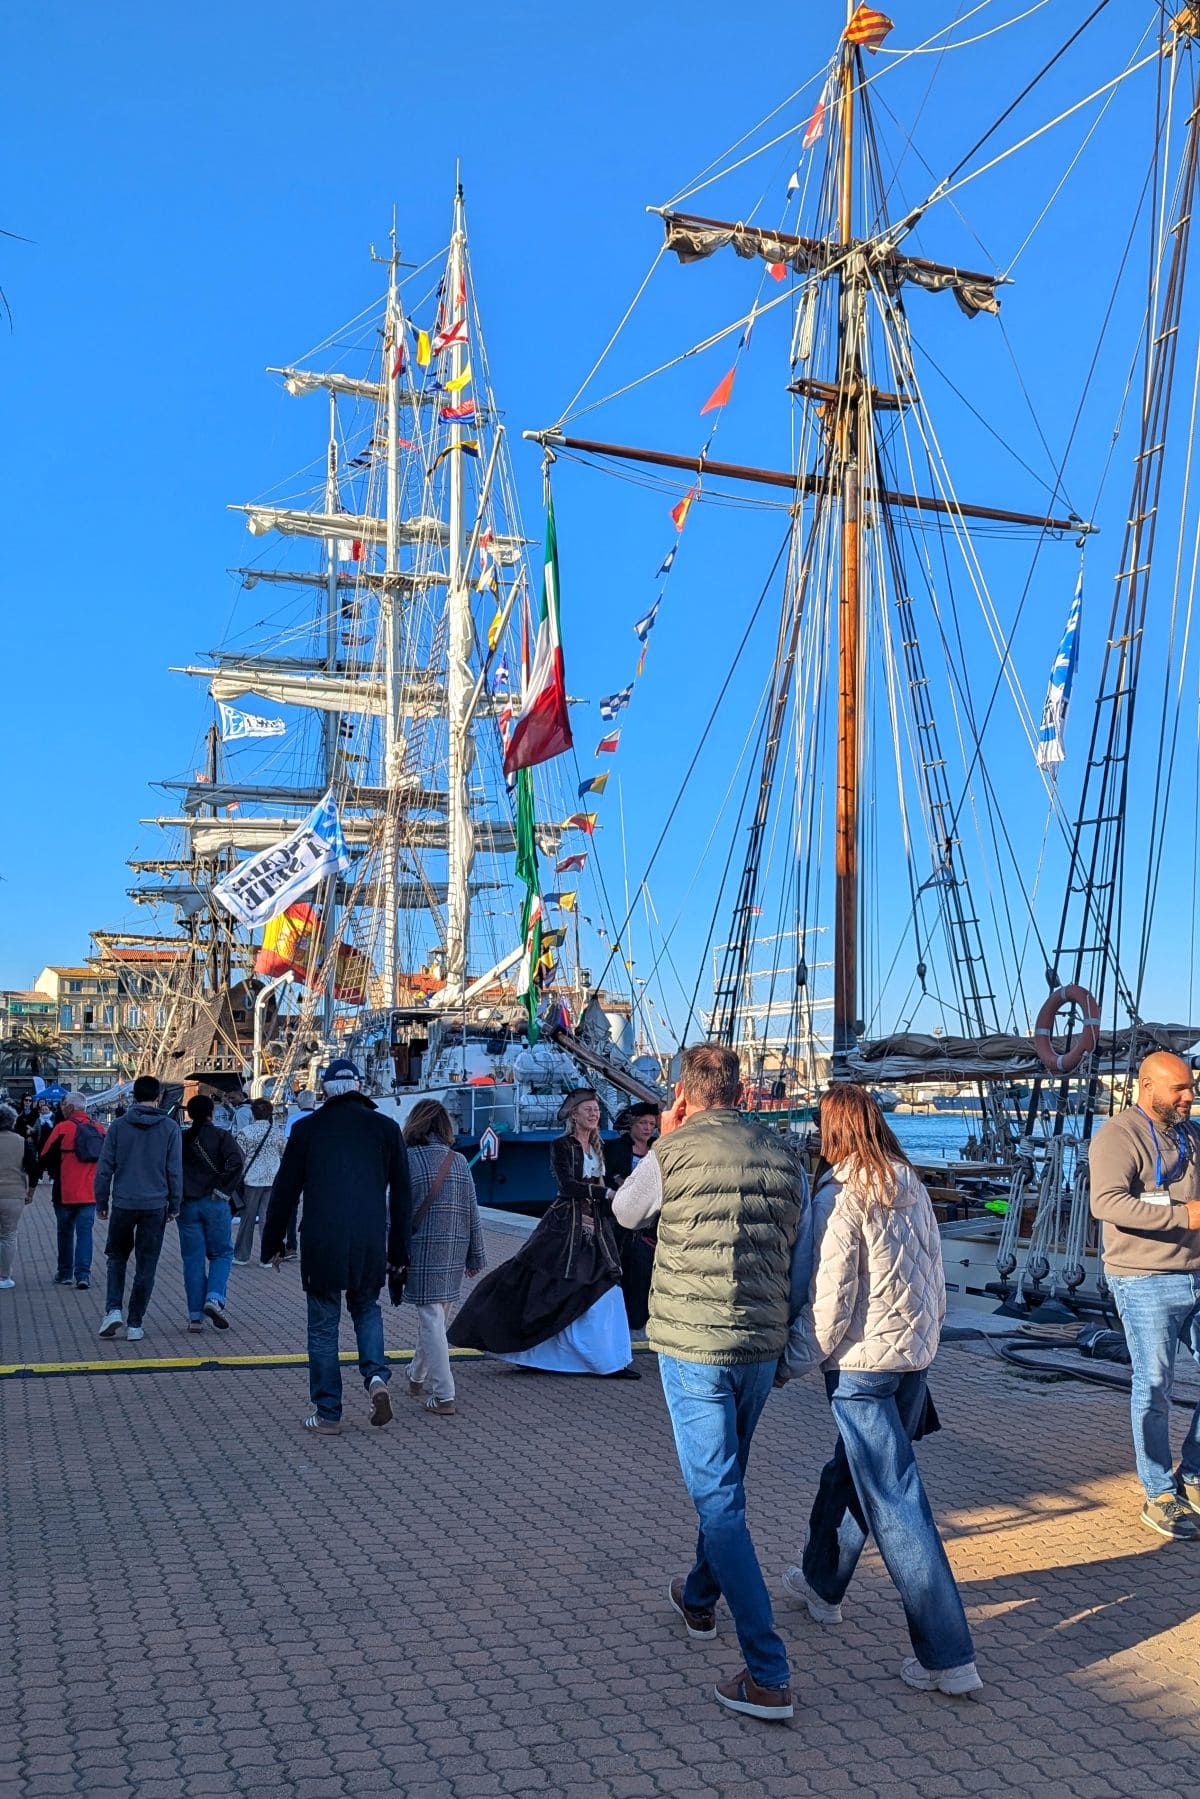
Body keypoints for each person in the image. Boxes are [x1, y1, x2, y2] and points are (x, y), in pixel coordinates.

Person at [612, 1043, 805, 1722]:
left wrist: (659, 1143)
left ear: (683, 1094)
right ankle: (698, 1596)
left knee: (720, 1500)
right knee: (726, 1485)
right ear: (743, 1093)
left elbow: (625, 1212)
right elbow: (799, 1247)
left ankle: (768, 1672)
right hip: (758, 1343)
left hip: (694, 1344)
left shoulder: (673, 1150)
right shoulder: (784, 1154)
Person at [778, 1084, 981, 1698]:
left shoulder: (838, 1196)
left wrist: (788, 1364)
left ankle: (948, 1655)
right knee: (848, 1476)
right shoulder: (909, 1183)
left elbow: (829, 1301)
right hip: (912, 1361)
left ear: (832, 1131)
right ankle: (822, 1584)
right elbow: (935, 1275)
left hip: (861, 1368)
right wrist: (927, 1342)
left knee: (896, 1502)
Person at [262, 1058, 410, 1434]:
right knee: (367, 1309)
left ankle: (328, 1413)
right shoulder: (386, 1128)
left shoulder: (307, 1129)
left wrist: (273, 1242)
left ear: (325, 1089)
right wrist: (399, 1253)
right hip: (369, 1238)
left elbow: (284, 1191)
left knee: (323, 1326)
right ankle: (376, 1378)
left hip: (321, 1239)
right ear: (359, 1087)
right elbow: (402, 1196)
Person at [448, 1088, 636, 1378]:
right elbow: (567, 1185)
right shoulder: (562, 1145)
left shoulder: (598, 1145)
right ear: (574, 1115)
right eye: (588, 1109)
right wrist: (605, 1192)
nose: (594, 1114)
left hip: (596, 1229)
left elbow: (600, 1183)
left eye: (596, 1110)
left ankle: (607, 1360)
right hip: (565, 1228)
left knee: (605, 1289)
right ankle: (541, 1353)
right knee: (550, 1288)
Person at [1089, 1050, 1200, 1540]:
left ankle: (1193, 1474)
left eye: (1191, 1087)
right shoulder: (1118, 1135)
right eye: (1179, 1088)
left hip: (1196, 1274)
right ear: (1147, 1086)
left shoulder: (1192, 1135)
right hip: (1144, 1279)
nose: (1189, 1096)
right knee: (1154, 1386)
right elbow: (1106, 1202)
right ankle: (1159, 1493)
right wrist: (1182, 1217)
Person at [401, 1100, 487, 1417]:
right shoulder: (459, 1160)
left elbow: (395, 1212)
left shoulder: (407, 1160)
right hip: (454, 1250)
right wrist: (476, 1255)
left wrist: (388, 1252)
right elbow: (472, 1211)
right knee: (435, 1319)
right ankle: (416, 1374)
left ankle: (444, 1393)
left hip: (422, 1250)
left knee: (431, 1320)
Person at [94, 1074, 184, 1340]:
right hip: (155, 1203)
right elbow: (174, 1170)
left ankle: (113, 1309)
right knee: (147, 1263)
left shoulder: (118, 1126)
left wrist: (101, 1201)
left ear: (133, 1096)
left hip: (124, 1201)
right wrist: (175, 1203)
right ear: (159, 1096)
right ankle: (135, 1322)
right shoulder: (170, 1128)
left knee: (116, 1257)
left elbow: (104, 1167)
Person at [179, 1096, 243, 1332]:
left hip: (187, 1202)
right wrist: (222, 1188)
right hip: (215, 1201)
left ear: (189, 1114)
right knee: (222, 1253)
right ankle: (214, 1298)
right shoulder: (221, 1136)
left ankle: (195, 1316)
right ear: (211, 1113)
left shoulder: (182, 1138)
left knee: (192, 1259)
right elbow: (236, 1161)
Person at [40, 1093, 106, 1290]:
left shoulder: (62, 1128)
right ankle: (83, 1275)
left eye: (63, 1104)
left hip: (64, 1190)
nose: (61, 1107)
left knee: (65, 1232)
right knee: (85, 1234)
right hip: (89, 1191)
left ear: (69, 1107)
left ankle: (65, 1273)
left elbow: (45, 1156)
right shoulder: (99, 1129)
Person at [605, 1102, 661, 1332]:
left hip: (651, 1222)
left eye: (651, 1124)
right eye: (643, 1123)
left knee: (645, 1272)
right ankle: (626, 1318)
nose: (647, 1128)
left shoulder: (658, 1149)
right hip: (621, 1221)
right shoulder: (615, 1148)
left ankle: (642, 1317)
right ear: (632, 1125)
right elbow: (609, 1176)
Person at [233, 1098, 288, 1265]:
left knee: (248, 1218)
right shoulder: (277, 1133)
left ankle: (242, 1255)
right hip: (273, 1178)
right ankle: (268, 1256)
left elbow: (238, 1157)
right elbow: (285, 1153)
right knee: (267, 1219)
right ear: (270, 1113)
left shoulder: (245, 1132)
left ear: (253, 1113)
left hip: (252, 1179)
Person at [0, 1102, 38, 1290]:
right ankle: (4, 1276)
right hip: (13, 1194)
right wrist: (30, 1193)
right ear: (12, 1121)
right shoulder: (21, 1142)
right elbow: (33, 1170)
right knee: (8, 1235)